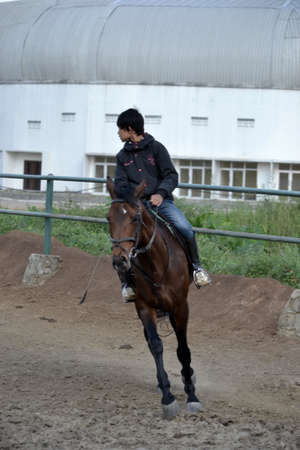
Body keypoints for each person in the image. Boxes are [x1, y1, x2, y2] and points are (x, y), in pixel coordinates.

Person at [113, 108, 211, 303]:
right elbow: (120, 184)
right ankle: (127, 284)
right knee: (119, 238)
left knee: (185, 228)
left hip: (161, 202)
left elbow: (171, 176)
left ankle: (197, 268)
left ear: (130, 129)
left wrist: (160, 193)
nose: (118, 133)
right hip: (136, 206)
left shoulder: (157, 148)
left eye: (120, 129)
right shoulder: (121, 157)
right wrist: (132, 199)